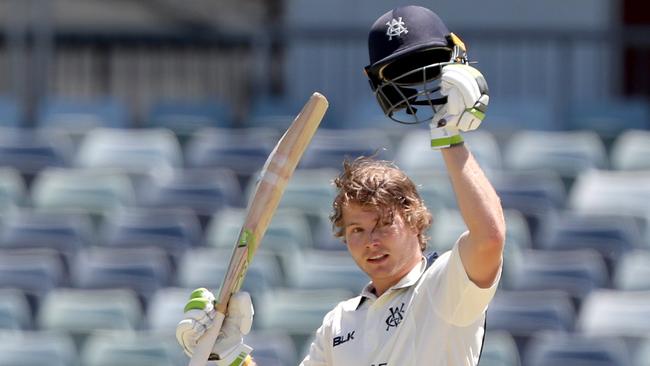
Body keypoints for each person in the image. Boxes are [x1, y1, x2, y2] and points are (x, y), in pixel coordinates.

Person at [175, 4, 505, 366]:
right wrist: (230, 356)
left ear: (415, 221)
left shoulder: (445, 288)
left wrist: (450, 138)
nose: (371, 241)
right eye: (357, 229)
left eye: (383, 224)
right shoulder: (339, 323)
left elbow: (489, 238)